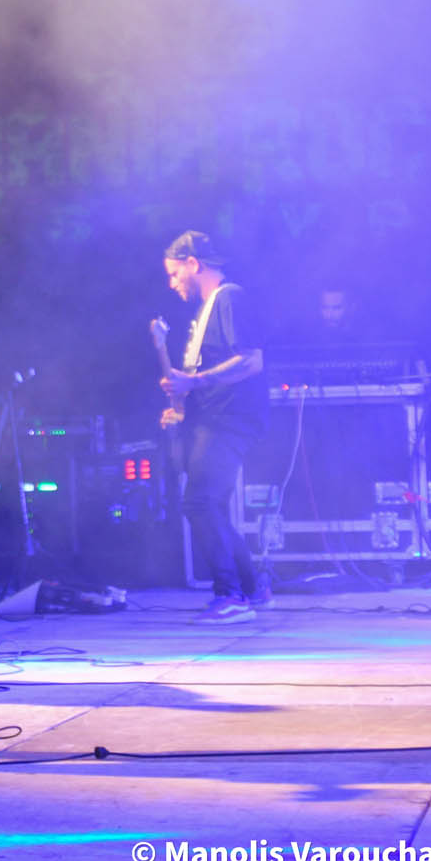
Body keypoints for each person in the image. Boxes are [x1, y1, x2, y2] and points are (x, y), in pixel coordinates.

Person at [159, 231, 270, 624]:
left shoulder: (229, 298)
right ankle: (252, 588)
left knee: (200, 502)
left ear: (194, 264)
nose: (172, 283)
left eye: (175, 273)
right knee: (213, 506)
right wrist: (182, 407)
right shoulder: (207, 309)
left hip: (229, 419)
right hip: (213, 417)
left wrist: (194, 382)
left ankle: (231, 596)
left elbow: (252, 361)